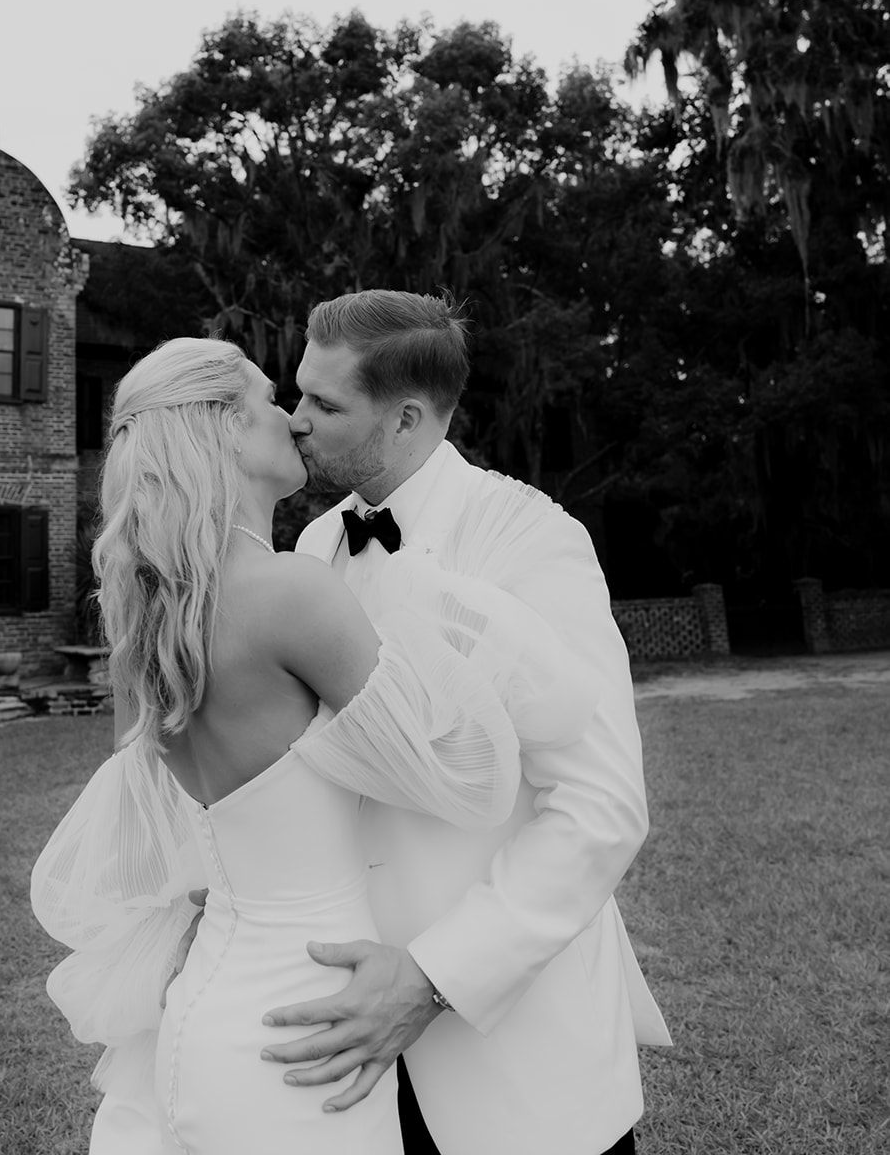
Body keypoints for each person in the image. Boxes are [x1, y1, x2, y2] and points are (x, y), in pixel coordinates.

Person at [30, 336, 596, 1154]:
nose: (294, 424)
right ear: (223, 428)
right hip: (305, 1017)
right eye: (270, 400)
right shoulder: (292, 589)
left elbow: (157, 809)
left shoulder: (150, 613)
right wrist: (435, 606)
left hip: (207, 1000)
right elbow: (465, 774)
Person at [256, 289, 671, 1155]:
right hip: (351, 1040)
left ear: (406, 418)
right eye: (299, 392)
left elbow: (600, 804)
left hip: (511, 1043)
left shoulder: (532, 539)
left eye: (324, 404)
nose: (293, 420)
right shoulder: (314, 548)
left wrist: (434, 978)